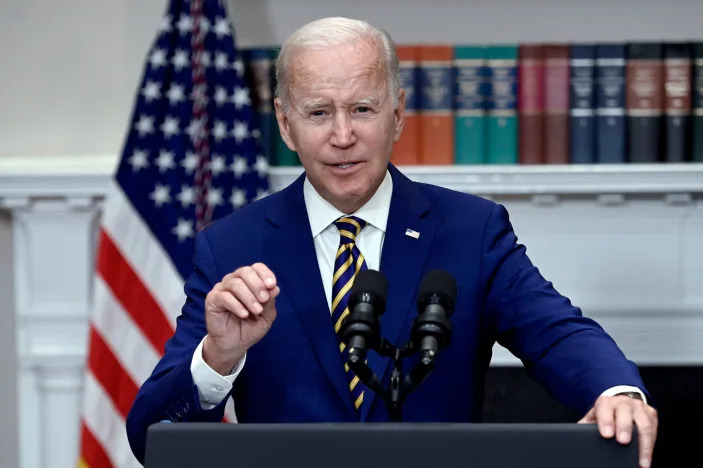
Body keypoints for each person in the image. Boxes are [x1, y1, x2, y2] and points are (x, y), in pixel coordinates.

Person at [126, 16, 658, 467]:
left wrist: (615, 390)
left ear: (398, 113)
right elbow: (151, 438)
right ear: (286, 127)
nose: (342, 136)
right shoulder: (231, 245)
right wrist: (218, 358)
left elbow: (557, 331)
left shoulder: (470, 230)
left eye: (362, 109)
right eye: (318, 113)